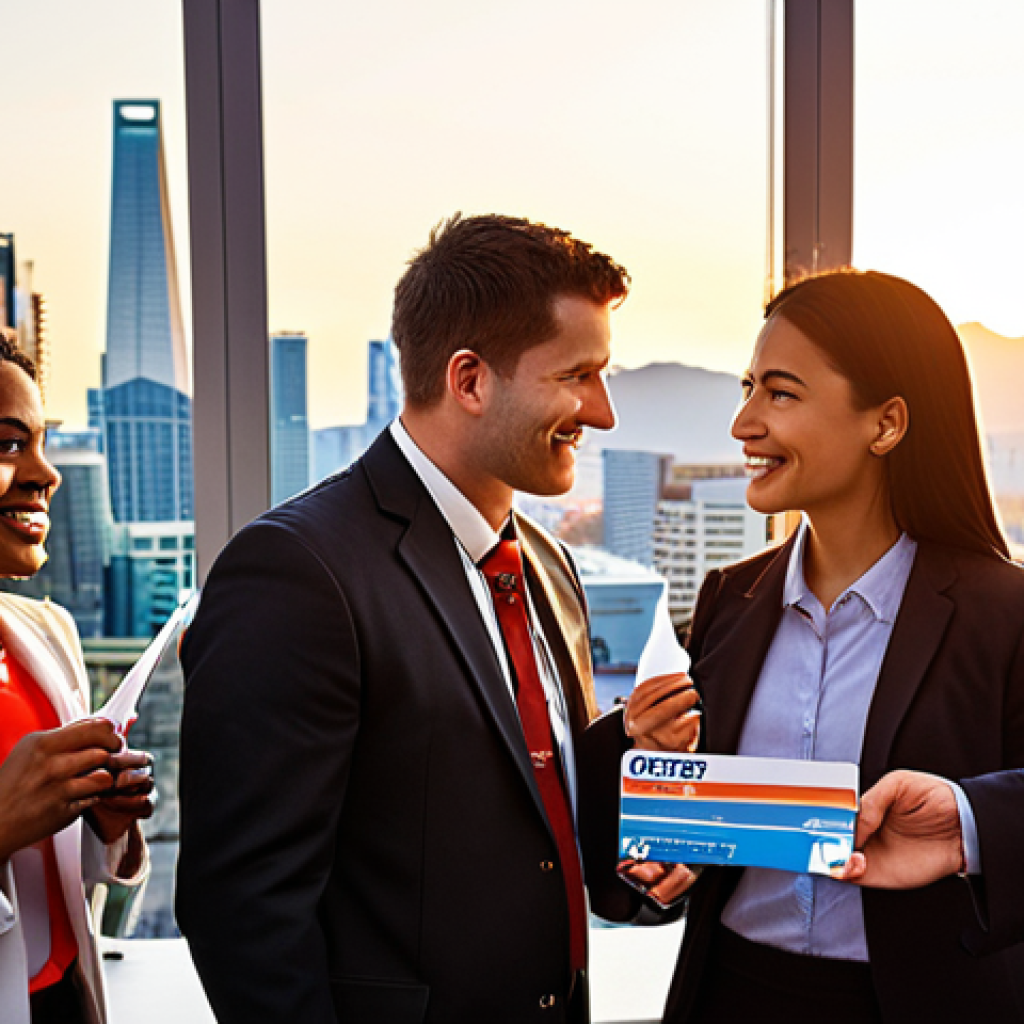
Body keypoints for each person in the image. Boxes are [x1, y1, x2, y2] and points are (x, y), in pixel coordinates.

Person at [176, 213, 630, 1023]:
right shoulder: (295, 572)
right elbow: (243, 911)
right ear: (469, 379)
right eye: (577, 375)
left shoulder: (549, 568)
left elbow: (542, 833)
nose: (602, 412)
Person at [583, 269, 1024, 1022]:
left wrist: (965, 823)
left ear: (885, 424)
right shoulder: (729, 599)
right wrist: (659, 837)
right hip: (731, 995)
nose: (743, 422)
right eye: (747, 387)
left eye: (780, 394)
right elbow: (678, 829)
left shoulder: (1003, 612)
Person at [0, 331, 153, 1024]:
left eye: (39, 440)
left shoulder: (49, 636)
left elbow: (63, 881)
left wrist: (103, 823)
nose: (45, 472)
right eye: (8, 444)